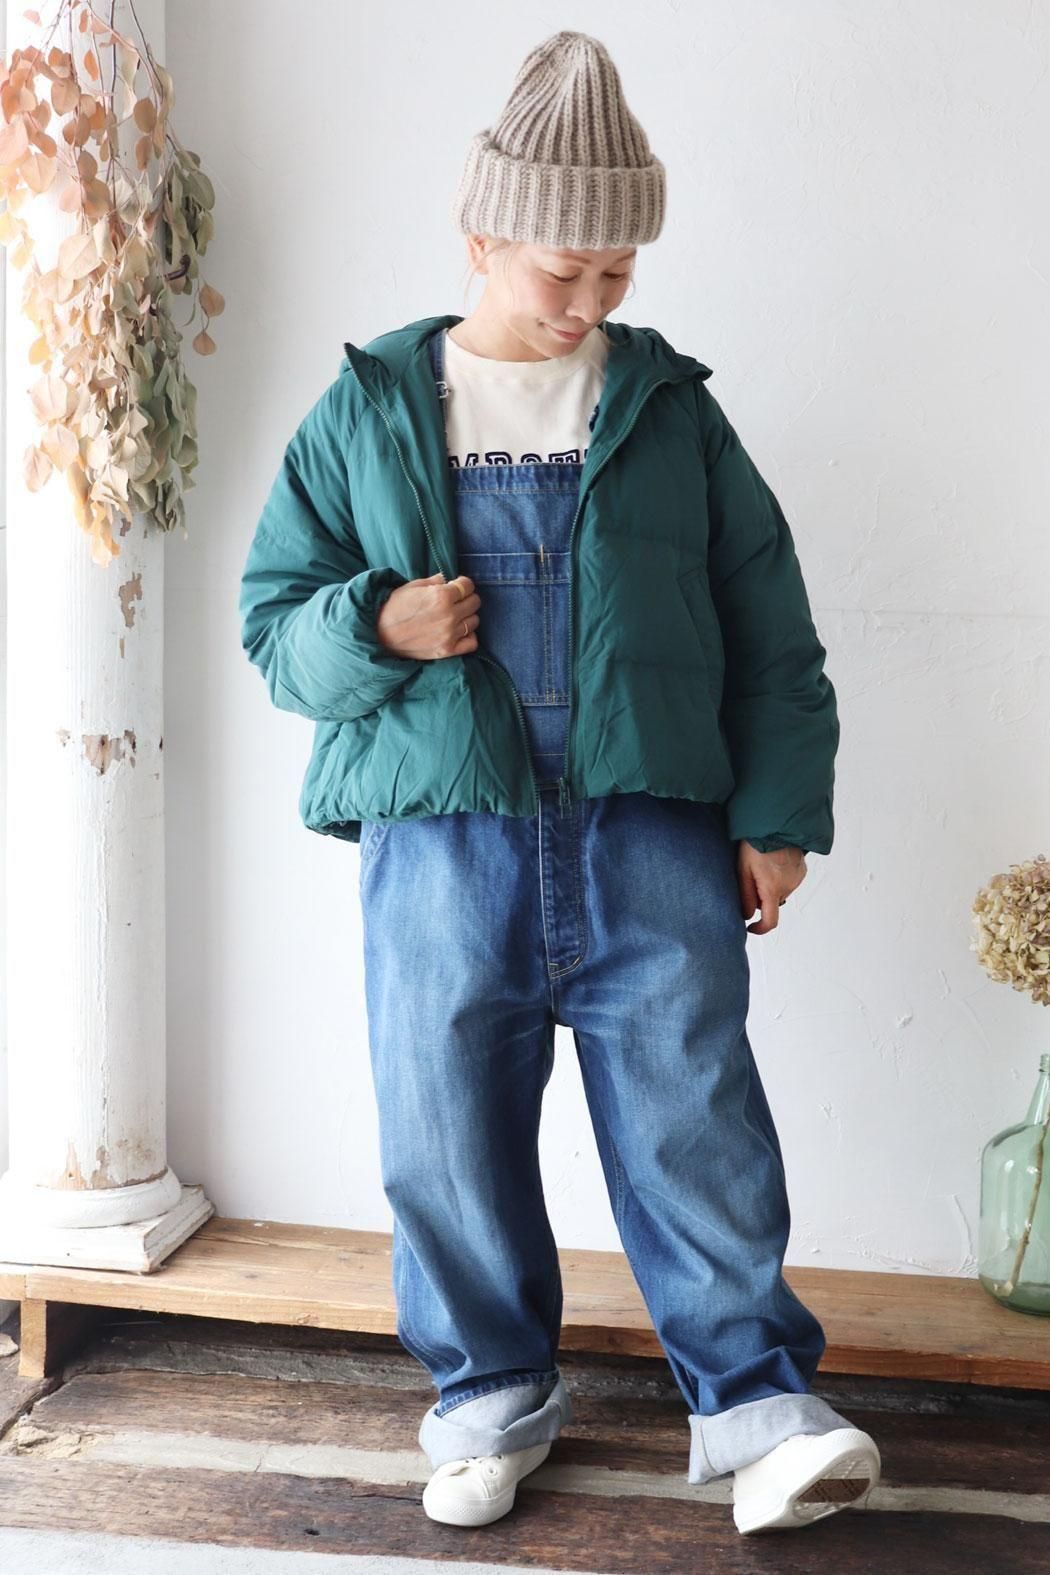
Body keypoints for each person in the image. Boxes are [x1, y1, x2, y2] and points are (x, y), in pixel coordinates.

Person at [239, 28, 880, 1538]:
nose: (591, 300)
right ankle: (485, 1398)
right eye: (561, 270)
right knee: (443, 1119)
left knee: (692, 1111)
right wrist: (374, 624)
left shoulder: (669, 413)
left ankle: (758, 1411)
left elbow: (770, 631)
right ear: (480, 239)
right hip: (438, 837)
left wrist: (777, 820)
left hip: (651, 830)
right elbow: (274, 625)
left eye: (617, 271)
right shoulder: (369, 410)